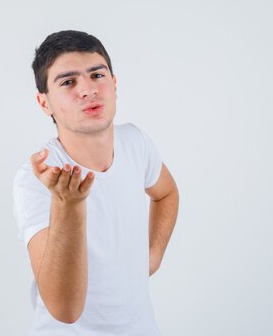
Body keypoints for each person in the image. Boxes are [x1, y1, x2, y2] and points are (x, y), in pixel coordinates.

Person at [13, 30, 179, 335]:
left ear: (114, 85)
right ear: (44, 103)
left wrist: (152, 257)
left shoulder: (135, 142)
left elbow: (166, 193)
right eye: (68, 82)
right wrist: (69, 204)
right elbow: (64, 309)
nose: (88, 90)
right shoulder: (37, 178)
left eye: (97, 75)